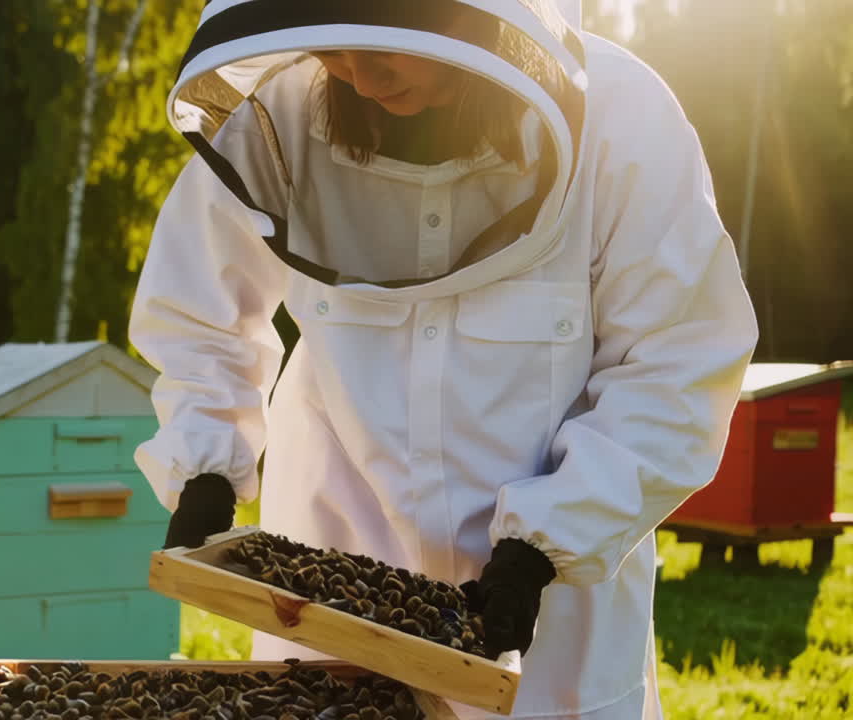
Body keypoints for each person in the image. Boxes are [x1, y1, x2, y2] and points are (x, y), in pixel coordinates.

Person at [128, 1, 758, 718]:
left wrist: (546, 542)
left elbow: (675, 364)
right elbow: (197, 304)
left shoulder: (624, 119)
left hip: (550, 629)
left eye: (388, 41)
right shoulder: (284, 114)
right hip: (328, 593)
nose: (361, 79)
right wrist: (205, 463)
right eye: (337, 48)